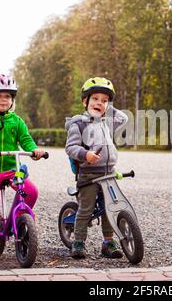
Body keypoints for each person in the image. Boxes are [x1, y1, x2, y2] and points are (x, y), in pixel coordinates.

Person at [0, 74, 45, 260]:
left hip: (13, 169)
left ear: (12, 100)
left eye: (8, 97)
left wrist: (34, 150)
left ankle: (19, 220)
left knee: (32, 191)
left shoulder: (17, 121)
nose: (4, 100)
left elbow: (26, 140)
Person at [65, 77, 128, 259]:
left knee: (110, 208)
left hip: (108, 173)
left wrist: (108, 107)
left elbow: (122, 118)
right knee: (86, 209)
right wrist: (86, 155)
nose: (99, 103)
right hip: (89, 174)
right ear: (85, 101)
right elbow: (71, 147)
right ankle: (78, 242)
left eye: (104, 100)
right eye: (95, 99)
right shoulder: (79, 124)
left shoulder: (107, 122)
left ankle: (108, 242)